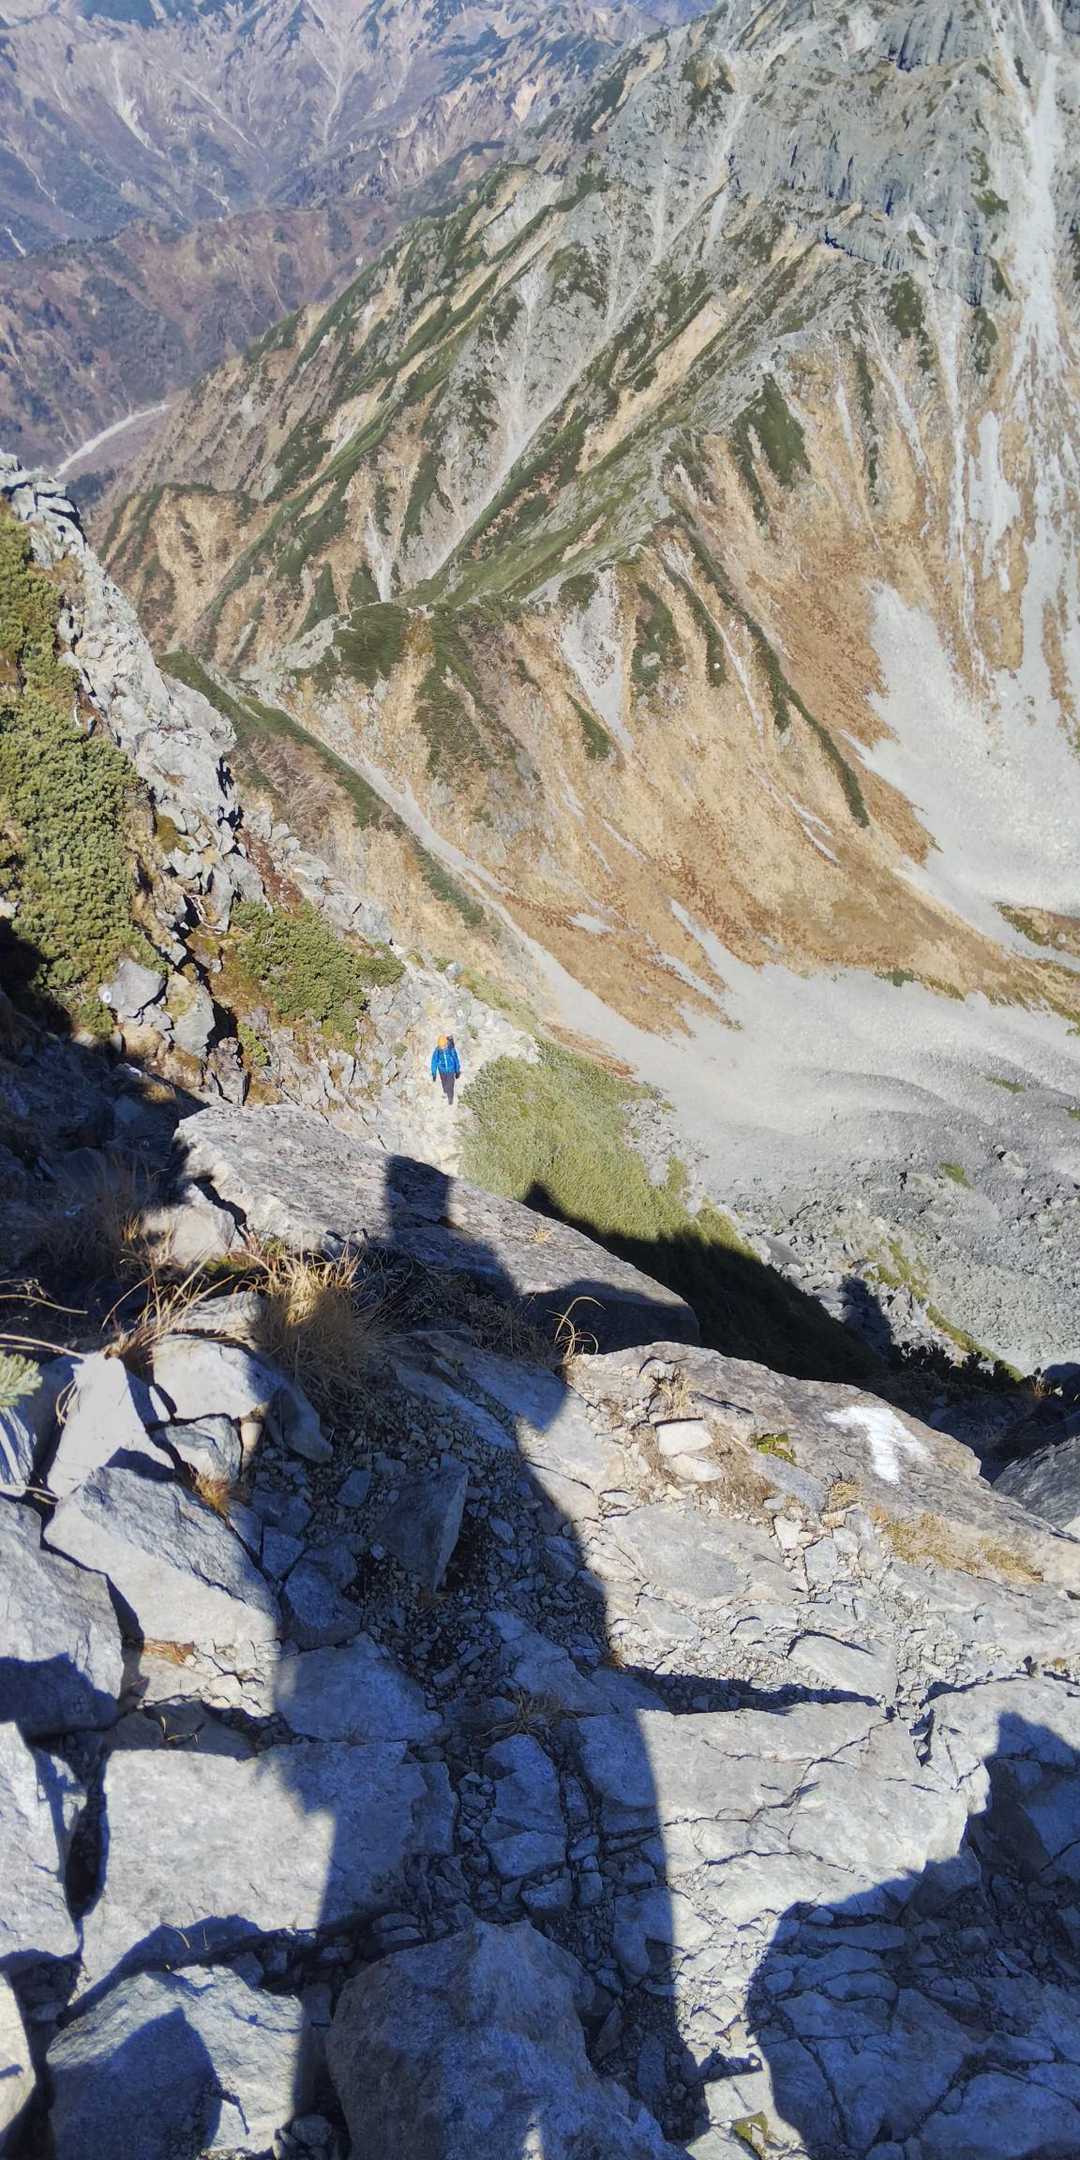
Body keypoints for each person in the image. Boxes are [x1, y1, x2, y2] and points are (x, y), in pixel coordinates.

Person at [430, 1032, 461, 1104]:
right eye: (441, 1046)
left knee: (450, 1085)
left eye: (443, 1046)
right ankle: (445, 1092)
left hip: (451, 1070)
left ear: (446, 1044)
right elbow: (434, 1062)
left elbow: (456, 1060)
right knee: (444, 1082)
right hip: (442, 1070)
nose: (442, 1048)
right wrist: (434, 1073)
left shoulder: (451, 1050)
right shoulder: (437, 1051)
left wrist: (457, 1071)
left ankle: (450, 1099)